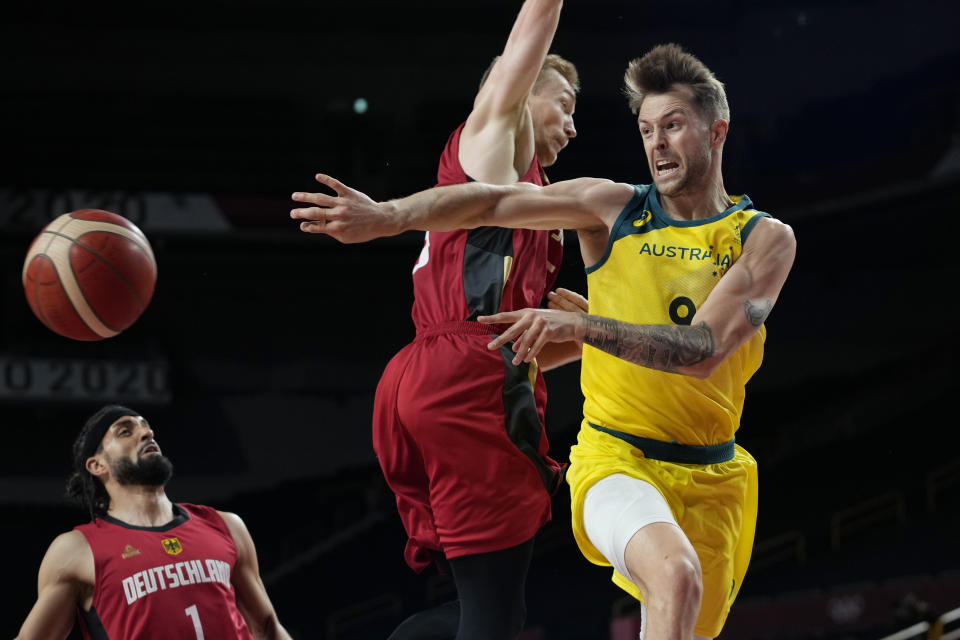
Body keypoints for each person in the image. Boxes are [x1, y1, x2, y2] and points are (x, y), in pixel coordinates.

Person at [290, 43, 797, 640]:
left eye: (673, 126)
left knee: (677, 615)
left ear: (717, 130)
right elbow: (491, 201)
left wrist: (585, 329)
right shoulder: (612, 206)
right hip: (616, 459)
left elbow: (704, 350)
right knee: (675, 576)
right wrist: (390, 216)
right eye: (646, 129)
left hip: (715, 475)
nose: (656, 143)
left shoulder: (763, 239)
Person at [296, 2, 581, 639]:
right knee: (494, 615)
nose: (572, 123)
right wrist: (389, 216)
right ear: (520, 86)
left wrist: (584, 337)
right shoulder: (494, 138)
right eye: (564, 102)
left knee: (490, 609)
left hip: (427, 376)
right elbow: (532, 29)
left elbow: (512, 344)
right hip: (463, 382)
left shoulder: (531, 200)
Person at [14, 405, 293, 640]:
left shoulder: (226, 525)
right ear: (97, 465)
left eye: (145, 426)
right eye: (126, 431)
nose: (147, 432)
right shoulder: (76, 551)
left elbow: (268, 627)